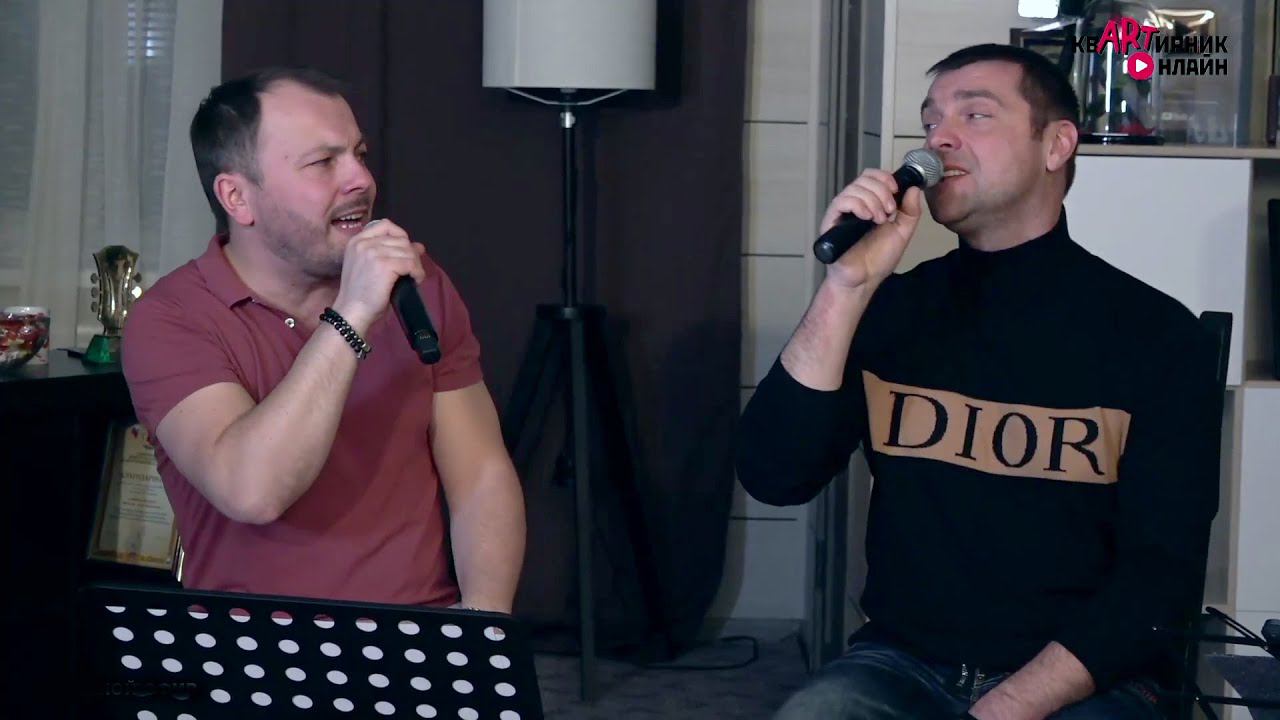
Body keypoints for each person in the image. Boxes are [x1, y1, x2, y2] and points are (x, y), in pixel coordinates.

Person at [737, 44, 1220, 720]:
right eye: (931, 121)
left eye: (975, 115)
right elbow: (773, 476)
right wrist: (845, 288)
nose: (940, 139)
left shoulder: (1156, 336)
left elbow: (1160, 575)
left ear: (1056, 145)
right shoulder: (893, 308)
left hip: (1086, 677)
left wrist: (1007, 705)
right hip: (903, 662)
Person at [121, 67, 526, 614]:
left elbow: (480, 474)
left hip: (419, 635)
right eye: (323, 163)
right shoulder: (170, 319)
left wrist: (483, 624)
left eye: (359, 154)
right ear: (237, 198)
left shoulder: (419, 284)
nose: (361, 179)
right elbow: (252, 491)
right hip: (256, 647)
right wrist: (353, 314)